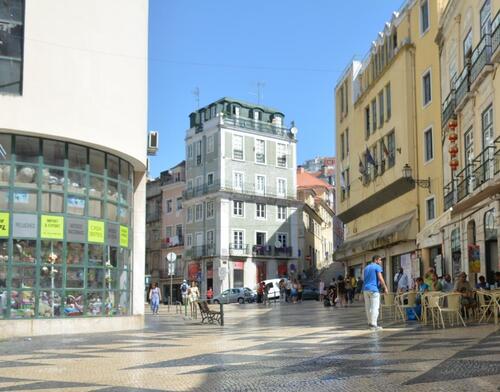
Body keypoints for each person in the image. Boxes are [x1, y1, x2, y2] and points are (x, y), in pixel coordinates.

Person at [362, 255, 388, 330]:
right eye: (380, 260)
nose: (381, 262)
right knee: (375, 307)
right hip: (373, 289)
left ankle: (370, 323)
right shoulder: (377, 267)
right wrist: (385, 287)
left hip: (365, 289)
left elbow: (364, 279)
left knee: (368, 307)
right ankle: (374, 324)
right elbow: (380, 277)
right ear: (376, 260)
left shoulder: (366, 268)